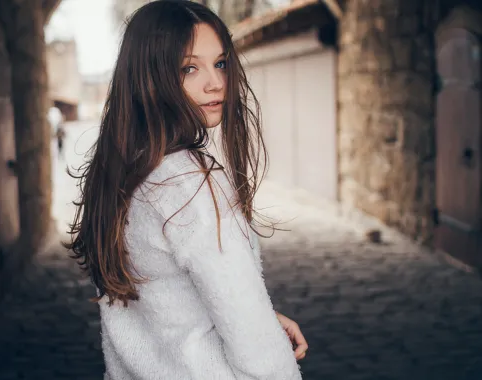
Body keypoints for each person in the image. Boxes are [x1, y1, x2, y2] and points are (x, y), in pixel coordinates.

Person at [66, 1, 307, 379]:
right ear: (149, 77)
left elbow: (162, 299)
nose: (215, 82)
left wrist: (262, 316)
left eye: (221, 63)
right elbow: (258, 350)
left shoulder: (126, 169)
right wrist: (262, 336)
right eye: (189, 68)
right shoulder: (190, 184)